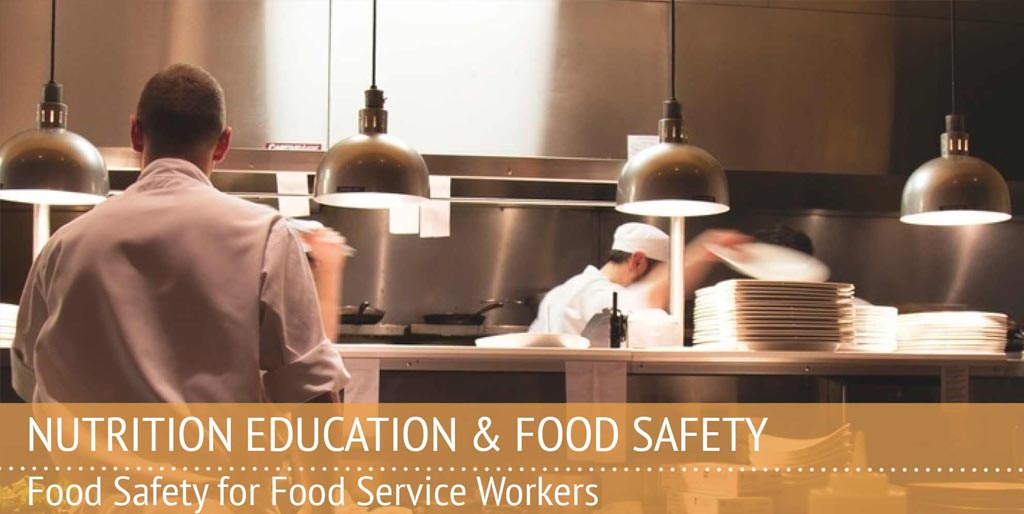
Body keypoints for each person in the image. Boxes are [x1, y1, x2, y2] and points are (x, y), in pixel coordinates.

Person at [11, 64, 349, 403]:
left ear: (135, 134)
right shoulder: (266, 237)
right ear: (223, 143)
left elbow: (28, 380)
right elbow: (312, 392)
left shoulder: (63, 247)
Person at [529, 222, 748, 335]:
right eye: (659, 273)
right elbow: (648, 298)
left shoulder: (560, 292)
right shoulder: (602, 296)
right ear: (637, 261)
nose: (660, 280)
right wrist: (704, 249)